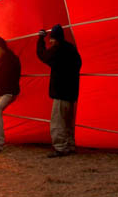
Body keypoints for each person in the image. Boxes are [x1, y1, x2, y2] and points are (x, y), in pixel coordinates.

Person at [36, 24, 81, 157]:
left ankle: (60, 147)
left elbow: (42, 55)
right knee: (68, 122)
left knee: (58, 122)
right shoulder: (71, 49)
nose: (50, 41)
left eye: (51, 39)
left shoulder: (57, 50)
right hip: (72, 92)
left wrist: (40, 38)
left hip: (61, 92)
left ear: (56, 39)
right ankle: (70, 145)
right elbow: (79, 63)